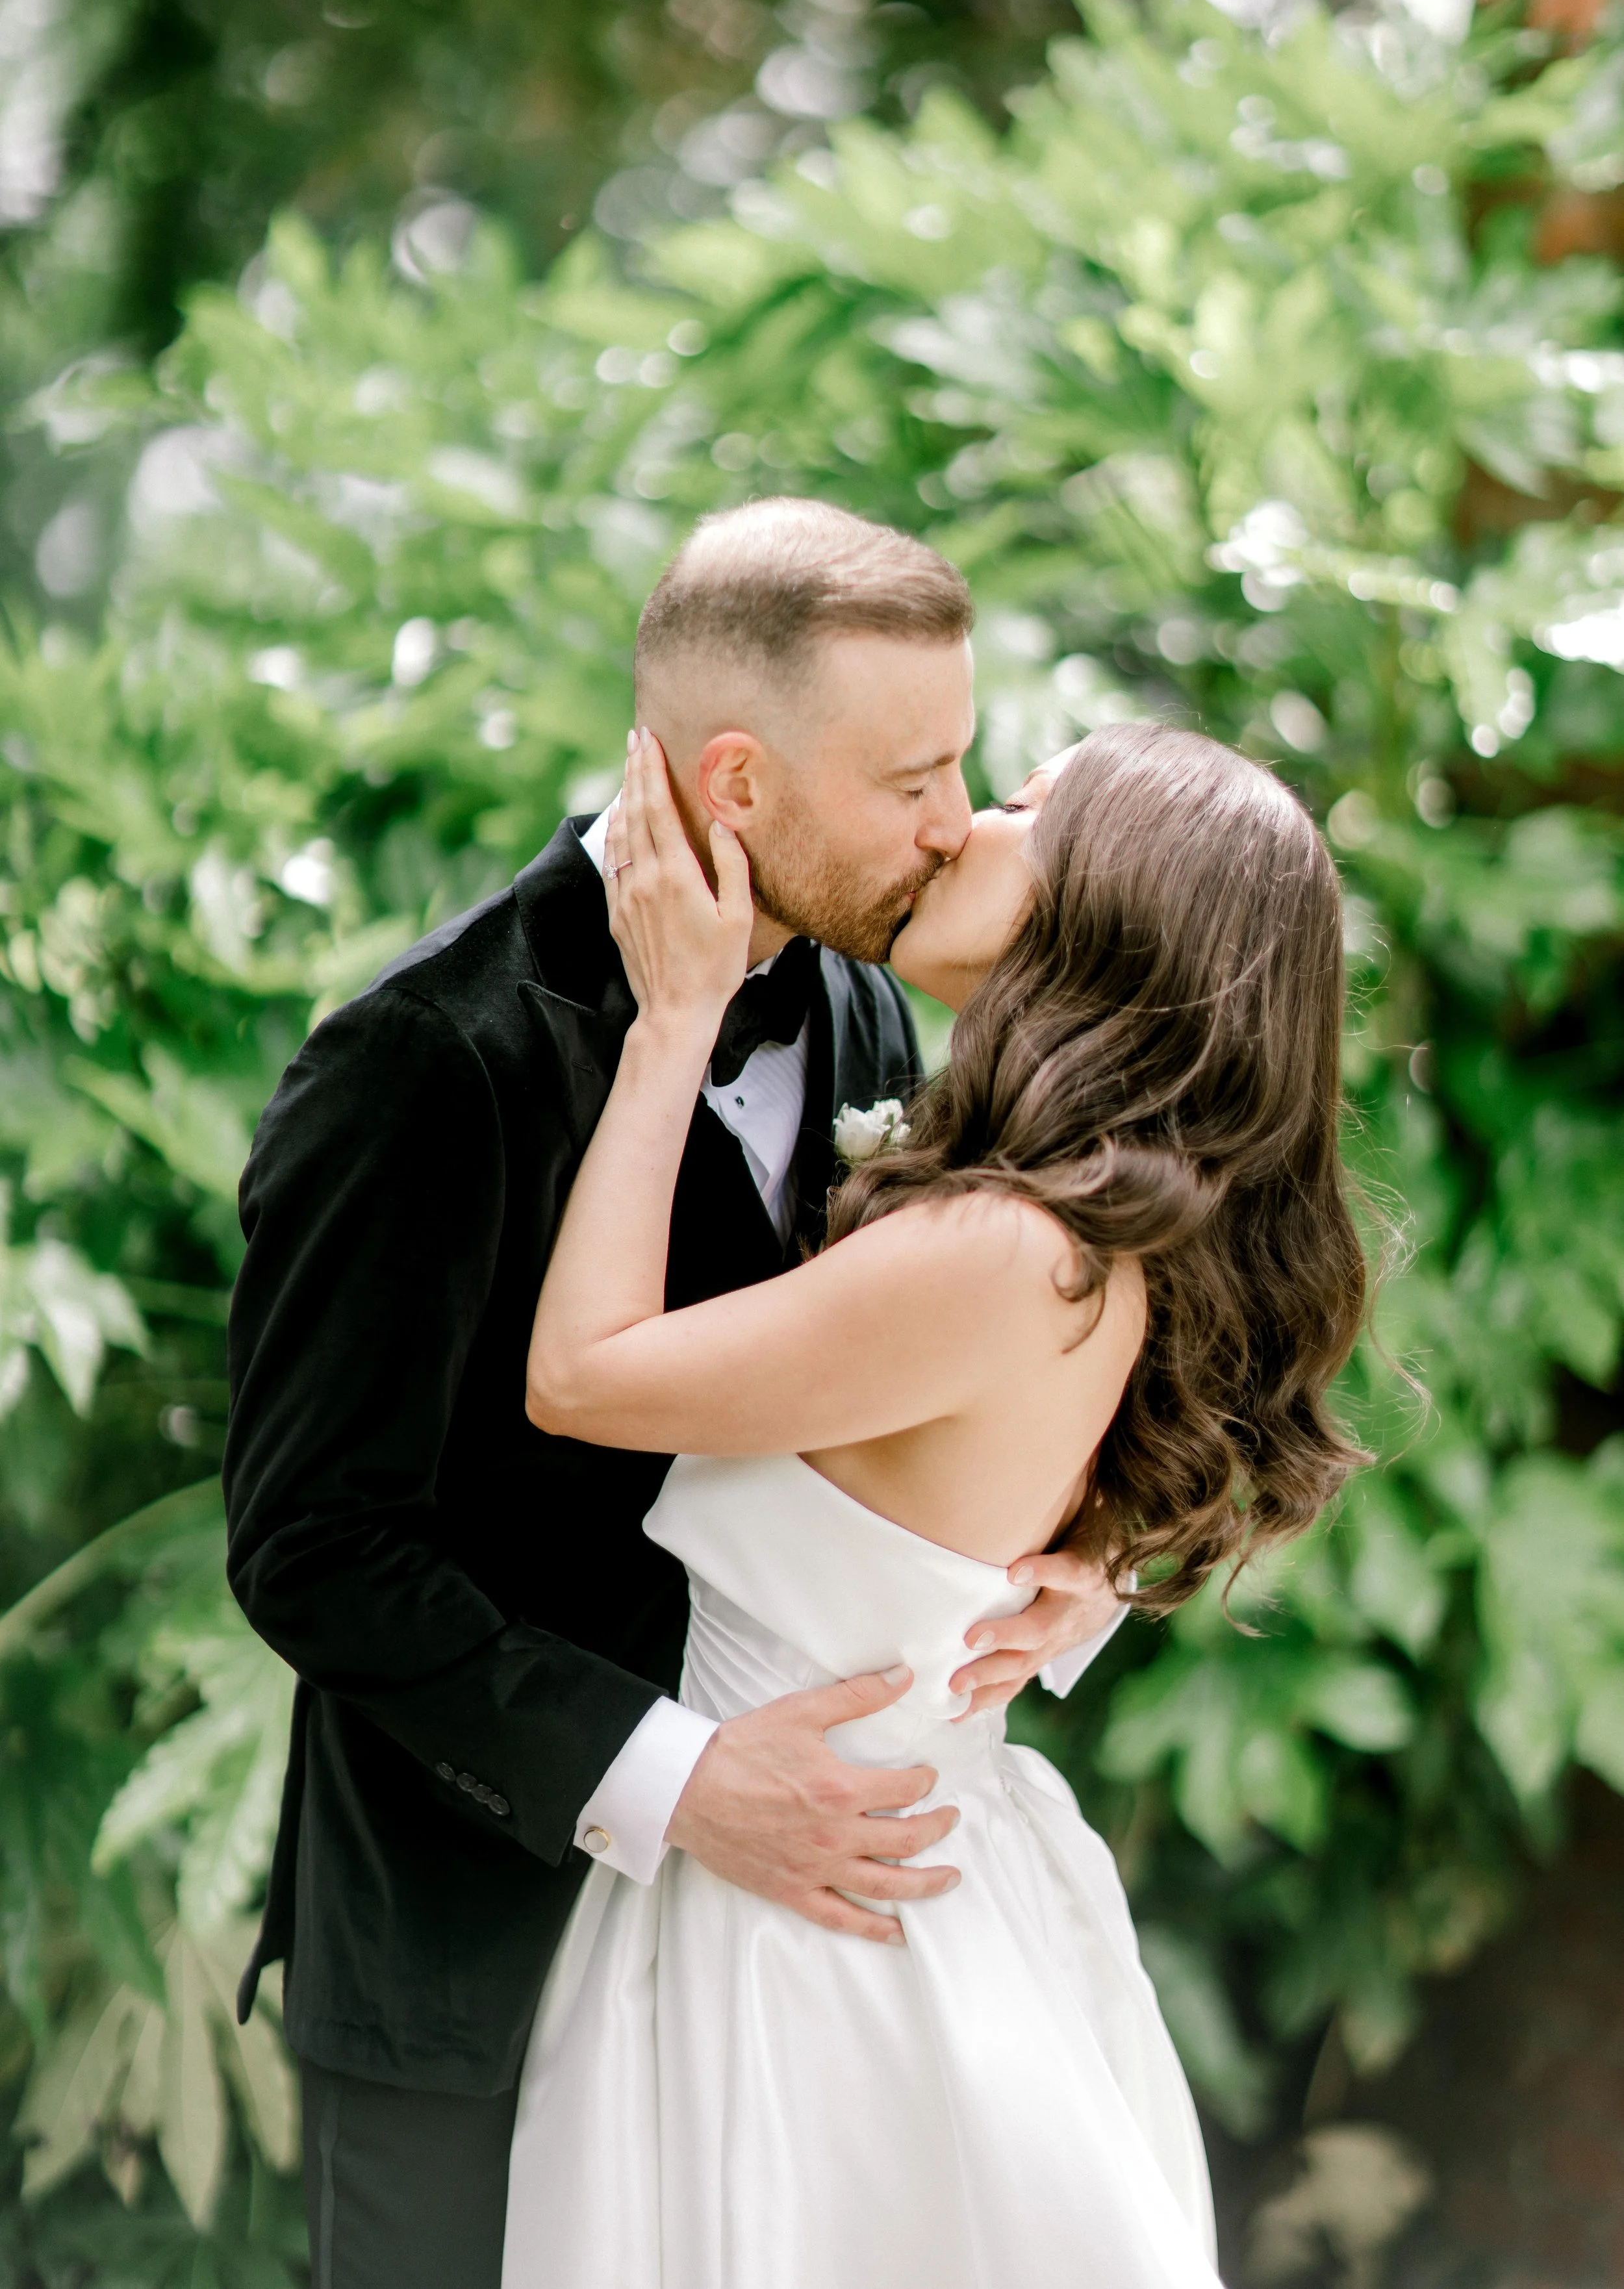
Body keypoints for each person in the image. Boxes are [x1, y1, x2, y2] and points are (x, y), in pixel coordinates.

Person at [222, 499, 1126, 2289]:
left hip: (796, 1977)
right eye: (913, 777)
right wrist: (671, 1776)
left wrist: (1073, 1558)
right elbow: (315, 1541)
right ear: (737, 783)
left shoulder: (869, 1003)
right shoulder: (423, 1060)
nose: (956, 823)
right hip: (471, 1950)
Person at [500, 715, 1369, 2287]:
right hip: (900, 1862)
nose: (960, 823)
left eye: (1023, 803)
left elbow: (582, 1373)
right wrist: (1091, 1560)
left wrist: (671, 1019)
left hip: (816, 1931)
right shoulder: (1098, 1220)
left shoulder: (1002, 1243)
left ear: (1108, 903)